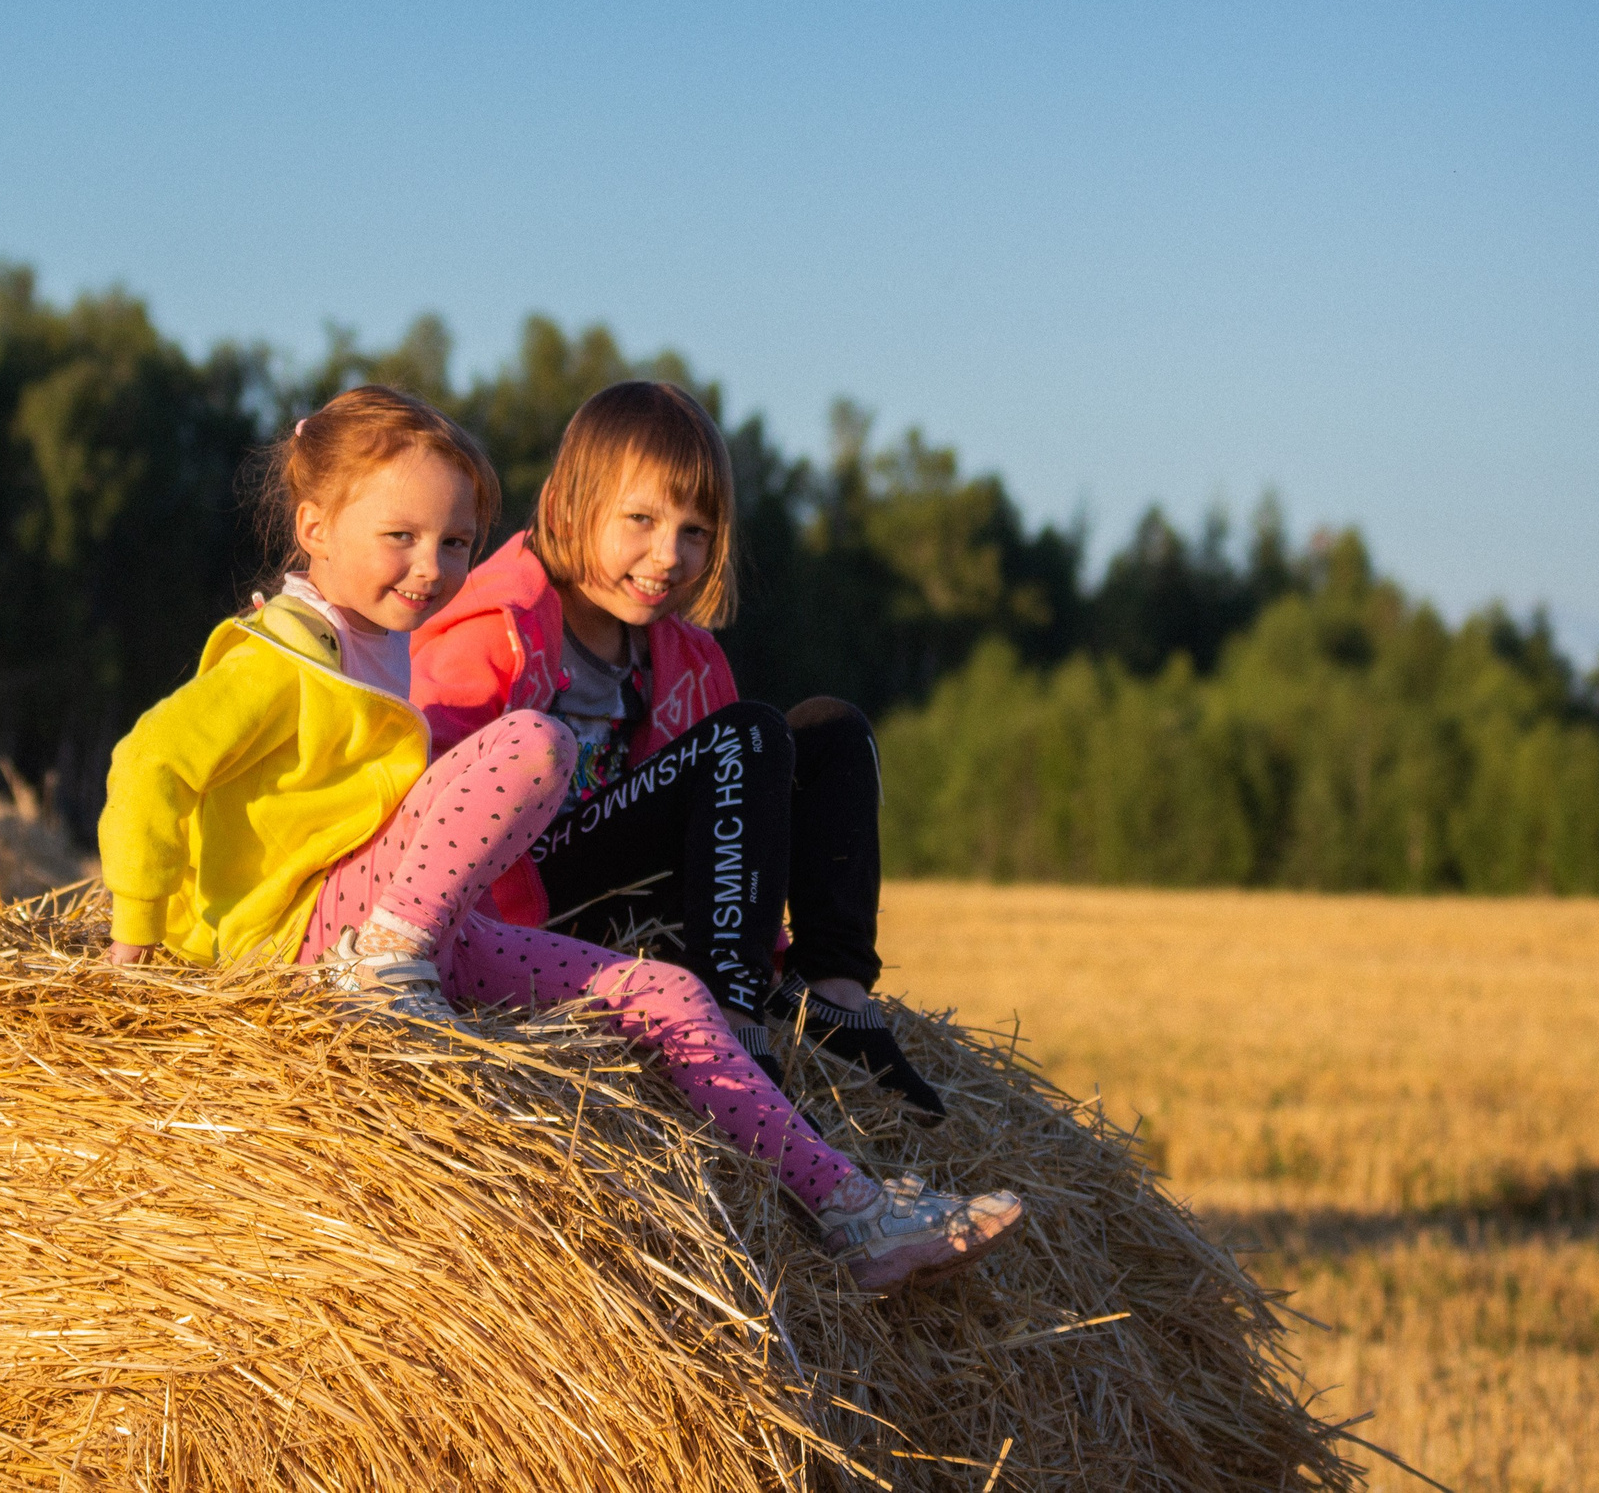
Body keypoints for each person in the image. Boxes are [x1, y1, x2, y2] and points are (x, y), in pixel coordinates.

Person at [97, 384, 1019, 1292]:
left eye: (455, 542)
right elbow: (147, 765)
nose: (431, 565)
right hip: (317, 933)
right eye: (402, 538)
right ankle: (386, 977)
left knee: (666, 993)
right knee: (539, 743)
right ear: (314, 529)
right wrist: (135, 953)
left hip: (422, 929)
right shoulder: (284, 656)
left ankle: (855, 1213)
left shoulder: (390, 645)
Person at [408, 380, 945, 1117]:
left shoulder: (689, 657)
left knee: (831, 730)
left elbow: (737, 829)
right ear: (568, 506)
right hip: (532, 912)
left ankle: (835, 997)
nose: (669, 555)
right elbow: (432, 811)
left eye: (695, 531)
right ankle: (732, 1026)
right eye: (641, 519)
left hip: (643, 907)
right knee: (749, 734)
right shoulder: (491, 629)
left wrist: (772, 944)